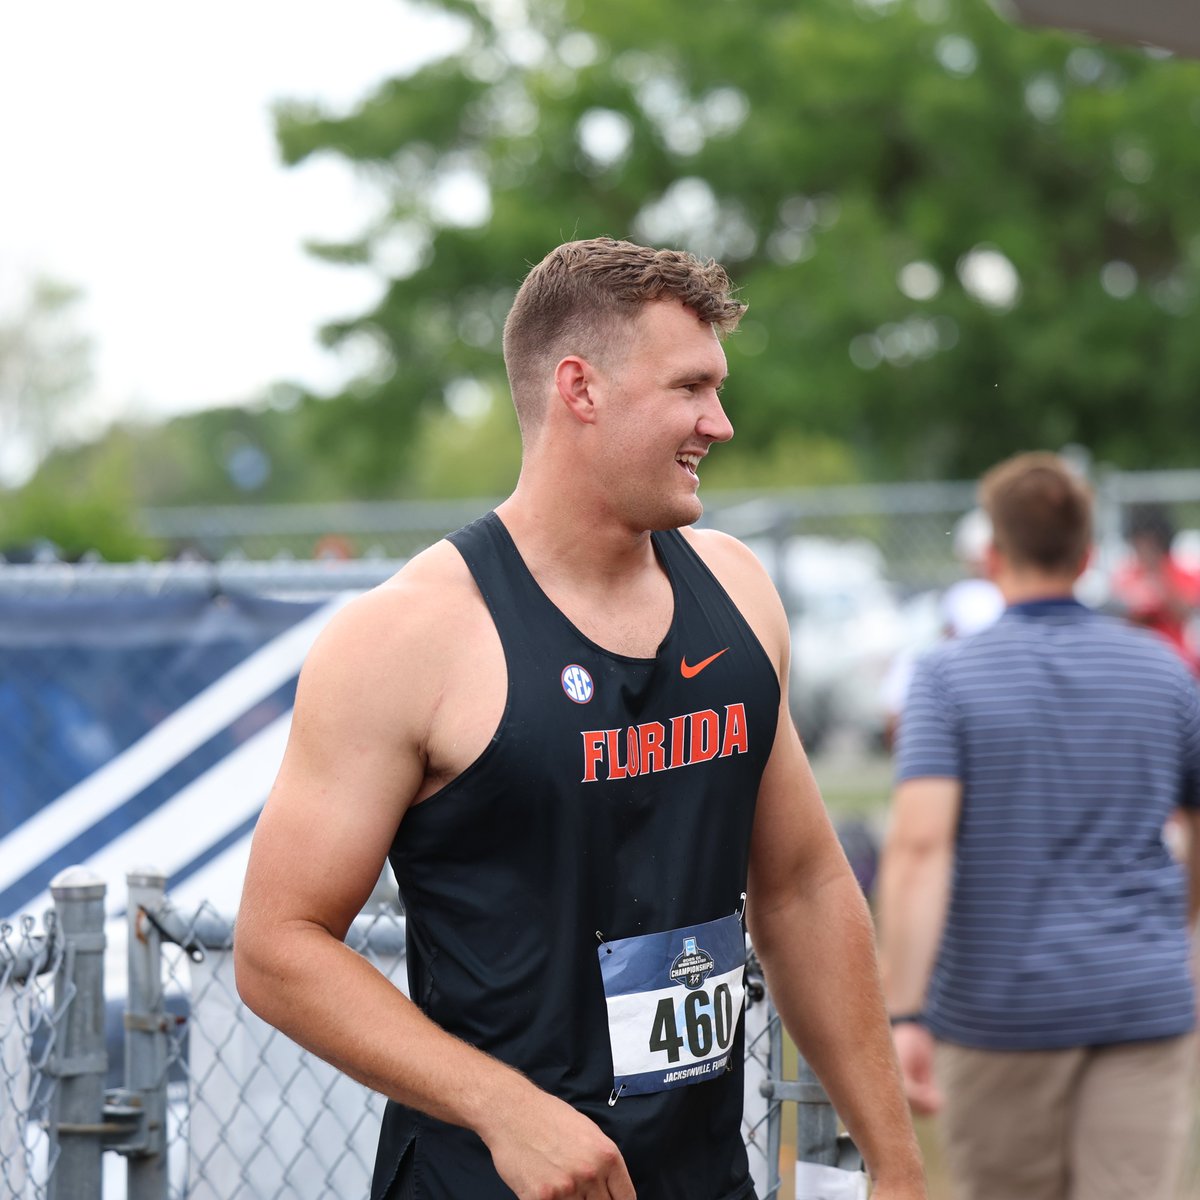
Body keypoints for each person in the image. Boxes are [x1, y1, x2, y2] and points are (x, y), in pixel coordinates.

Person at [233, 237, 926, 1200]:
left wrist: (894, 1162)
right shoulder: (408, 637)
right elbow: (277, 947)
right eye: (690, 387)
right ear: (580, 388)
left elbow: (804, 886)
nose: (718, 424)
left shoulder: (736, 590)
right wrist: (502, 1107)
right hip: (489, 1181)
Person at [875, 451, 1200, 1200]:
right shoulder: (1163, 672)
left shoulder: (947, 679)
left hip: (1000, 1009)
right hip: (1142, 1002)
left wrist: (907, 1011)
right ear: (1088, 556)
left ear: (992, 554)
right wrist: (1176, 935)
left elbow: (921, 850)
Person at [1110, 502, 1200, 676]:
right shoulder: (1127, 573)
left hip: (1175, 656)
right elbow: (1123, 617)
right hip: (1137, 657)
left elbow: (1183, 612)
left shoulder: (1180, 571)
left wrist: (1159, 573)